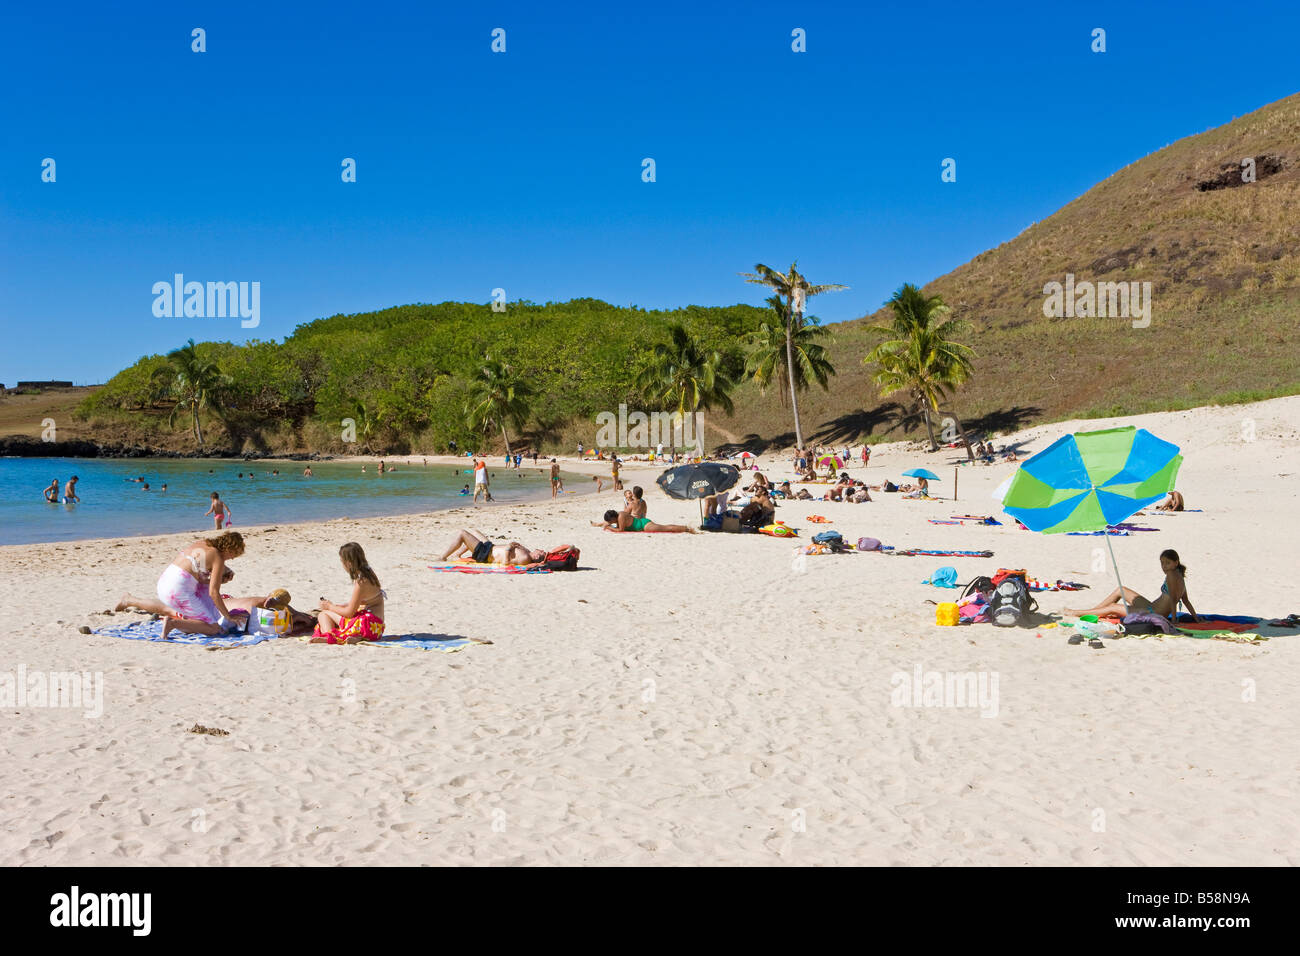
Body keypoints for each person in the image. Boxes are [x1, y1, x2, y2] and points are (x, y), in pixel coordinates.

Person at [155, 531, 246, 638]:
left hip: (164, 585)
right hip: (178, 591)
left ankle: (187, 621)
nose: (232, 558)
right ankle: (171, 623)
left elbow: (200, 578)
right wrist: (228, 617)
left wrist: (220, 579)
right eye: (234, 555)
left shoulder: (202, 544)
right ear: (229, 549)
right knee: (214, 629)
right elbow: (213, 592)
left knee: (203, 621)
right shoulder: (218, 558)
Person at [1065, 549, 1199, 621]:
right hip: (1151, 607)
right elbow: (1185, 600)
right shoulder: (1180, 576)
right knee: (1121, 590)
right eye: (1162, 563)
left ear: (1176, 562)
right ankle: (1092, 612)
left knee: (1113, 608)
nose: (1164, 566)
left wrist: (1174, 621)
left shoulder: (1171, 575)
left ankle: (1076, 613)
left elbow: (1174, 601)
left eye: (1167, 563)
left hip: (1154, 613)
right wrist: (1197, 619)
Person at [312, 542, 387, 644]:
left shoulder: (361, 582)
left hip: (366, 625)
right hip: (376, 629)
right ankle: (358, 637)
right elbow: (363, 601)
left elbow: (349, 613)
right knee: (335, 613)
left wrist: (329, 606)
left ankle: (330, 636)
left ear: (349, 563)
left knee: (323, 614)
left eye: (342, 562)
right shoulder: (369, 573)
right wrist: (339, 607)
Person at [438, 529, 557, 566]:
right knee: (474, 532)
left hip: (486, 554)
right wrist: (512, 544)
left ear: (536, 556)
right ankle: (457, 554)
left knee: (462, 533)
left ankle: (443, 557)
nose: (541, 550)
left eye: (541, 552)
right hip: (490, 547)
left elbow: (506, 563)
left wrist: (508, 548)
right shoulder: (528, 552)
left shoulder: (525, 558)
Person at [592, 509, 696, 533]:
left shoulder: (621, 517)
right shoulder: (618, 516)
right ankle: (686, 528)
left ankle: (686, 528)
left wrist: (609, 528)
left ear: (613, 518)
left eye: (610, 521)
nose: (611, 523)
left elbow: (620, 530)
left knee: (666, 528)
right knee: (665, 527)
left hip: (644, 525)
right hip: (642, 523)